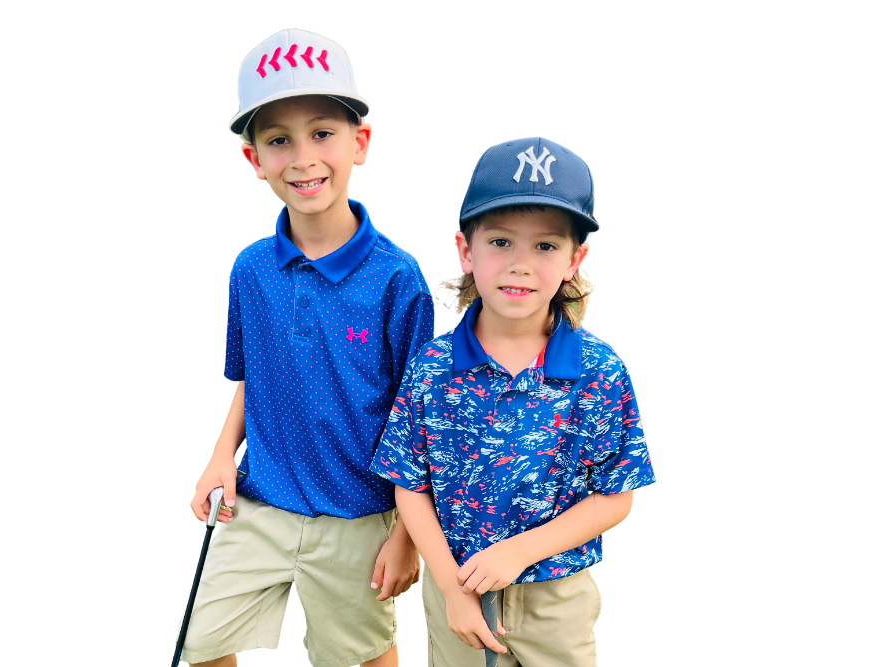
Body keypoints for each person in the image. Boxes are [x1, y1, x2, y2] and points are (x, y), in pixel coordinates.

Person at [178, 28, 437, 667]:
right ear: (253, 158)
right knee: (199, 646)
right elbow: (251, 380)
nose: (302, 158)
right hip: (257, 505)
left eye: (322, 133)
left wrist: (408, 536)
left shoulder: (398, 279)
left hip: (358, 516)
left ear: (360, 143)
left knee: (360, 656)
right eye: (278, 140)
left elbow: (423, 416)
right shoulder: (250, 270)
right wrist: (219, 458)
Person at [370, 136, 657, 667]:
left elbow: (617, 498)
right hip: (457, 587)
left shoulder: (598, 370)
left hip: (557, 596)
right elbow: (409, 484)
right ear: (465, 251)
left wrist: (518, 552)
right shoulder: (432, 367)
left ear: (576, 259)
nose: (520, 264)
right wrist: (451, 588)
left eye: (545, 246)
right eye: (501, 241)